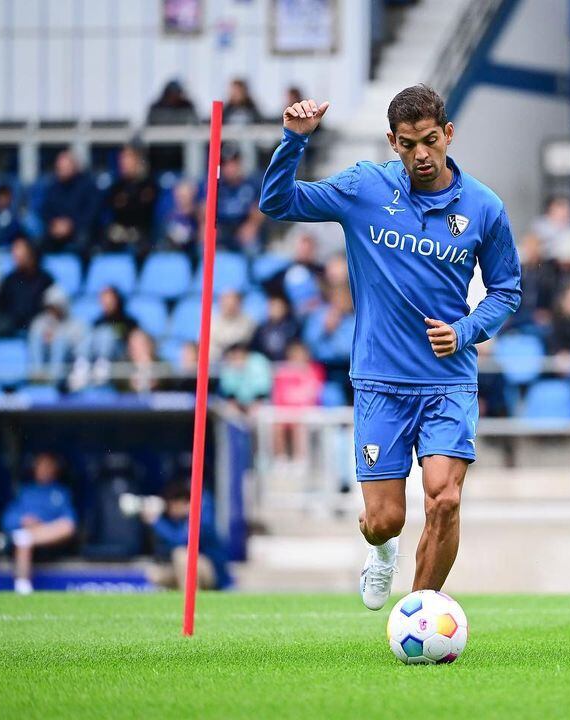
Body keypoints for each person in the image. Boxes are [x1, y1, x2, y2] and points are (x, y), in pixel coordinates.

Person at [259, 85, 522, 610]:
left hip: (449, 378)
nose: (420, 155)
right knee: (385, 520)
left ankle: (419, 613)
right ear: (392, 142)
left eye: (430, 141)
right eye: (407, 144)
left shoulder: (485, 208)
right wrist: (294, 139)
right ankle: (381, 554)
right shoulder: (364, 187)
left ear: (448, 134)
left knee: (444, 499)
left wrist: (466, 331)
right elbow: (277, 202)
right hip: (380, 381)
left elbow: (507, 291)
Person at [0, 452, 77, 595]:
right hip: (23, 543)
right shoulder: (25, 491)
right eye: (41, 466)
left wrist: (41, 528)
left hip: (51, 542)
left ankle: (29, 537)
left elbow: (70, 522)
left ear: (56, 469)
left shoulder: (61, 492)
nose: (45, 470)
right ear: (34, 468)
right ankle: (22, 586)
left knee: (66, 526)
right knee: (22, 537)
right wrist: (24, 520)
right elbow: (7, 520)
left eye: (49, 466)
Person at [143, 480, 230, 590]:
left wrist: (156, 522)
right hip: (194, 569)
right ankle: (180, 597)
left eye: (172, 506)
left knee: (181, 555)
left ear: (183, 503)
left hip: (213, 573)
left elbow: (180, 540)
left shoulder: (201, 515)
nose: (170, 511)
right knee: (156, 574)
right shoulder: (181, 521)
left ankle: (192, 597)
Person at [0, 237, 53, 338]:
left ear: (30, 253)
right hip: (11, 325)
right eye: (14, 250)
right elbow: (0, 306)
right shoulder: (9, 280)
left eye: (20, 250)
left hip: (37, 326)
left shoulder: (45, 279)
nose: (15, 254)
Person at [103, 145, 158, 258]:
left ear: (137, 161)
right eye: (122, 160)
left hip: (143, 232)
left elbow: (142, 211)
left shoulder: (148, 184)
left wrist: (127, 203)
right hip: (120, 231)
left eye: (128, 159)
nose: (124, 164)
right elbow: (114, 209)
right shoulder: (116, 187)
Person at [39, 149, 97, 256]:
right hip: (57, 231)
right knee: (37, 245)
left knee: (84, 242)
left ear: (75, 166)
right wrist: (54, 224)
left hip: (79, 230)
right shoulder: (52, 187)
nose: (62, 170)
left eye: (65, 167)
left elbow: (91, 213)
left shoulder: (88, 186)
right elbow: (45, 211)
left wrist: (71, 225)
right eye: (59, 168)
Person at [216, 147, 265, 252]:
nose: (230, 168)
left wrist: (251, 225)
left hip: (243, 227)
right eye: (226, 164)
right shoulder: (216, 186)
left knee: (252, 247)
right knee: (204, 247)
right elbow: (205, 209)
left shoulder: (252, 185)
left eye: (233, 163)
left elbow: (259, 210)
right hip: (222, 229)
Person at [250, 292, 301, 361]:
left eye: (278, 307)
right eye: (272, 306)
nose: (275, 310)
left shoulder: (293, 327)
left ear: (285, 308)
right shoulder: (261, 329)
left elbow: (296, 348)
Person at [211, 290, 257, 359]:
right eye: (226, 304)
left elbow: (243, 340)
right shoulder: (212, 322)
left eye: (233, 303)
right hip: (217, 363)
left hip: (242, 362)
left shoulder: (248, 322)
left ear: (239, 304)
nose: (230, 307)